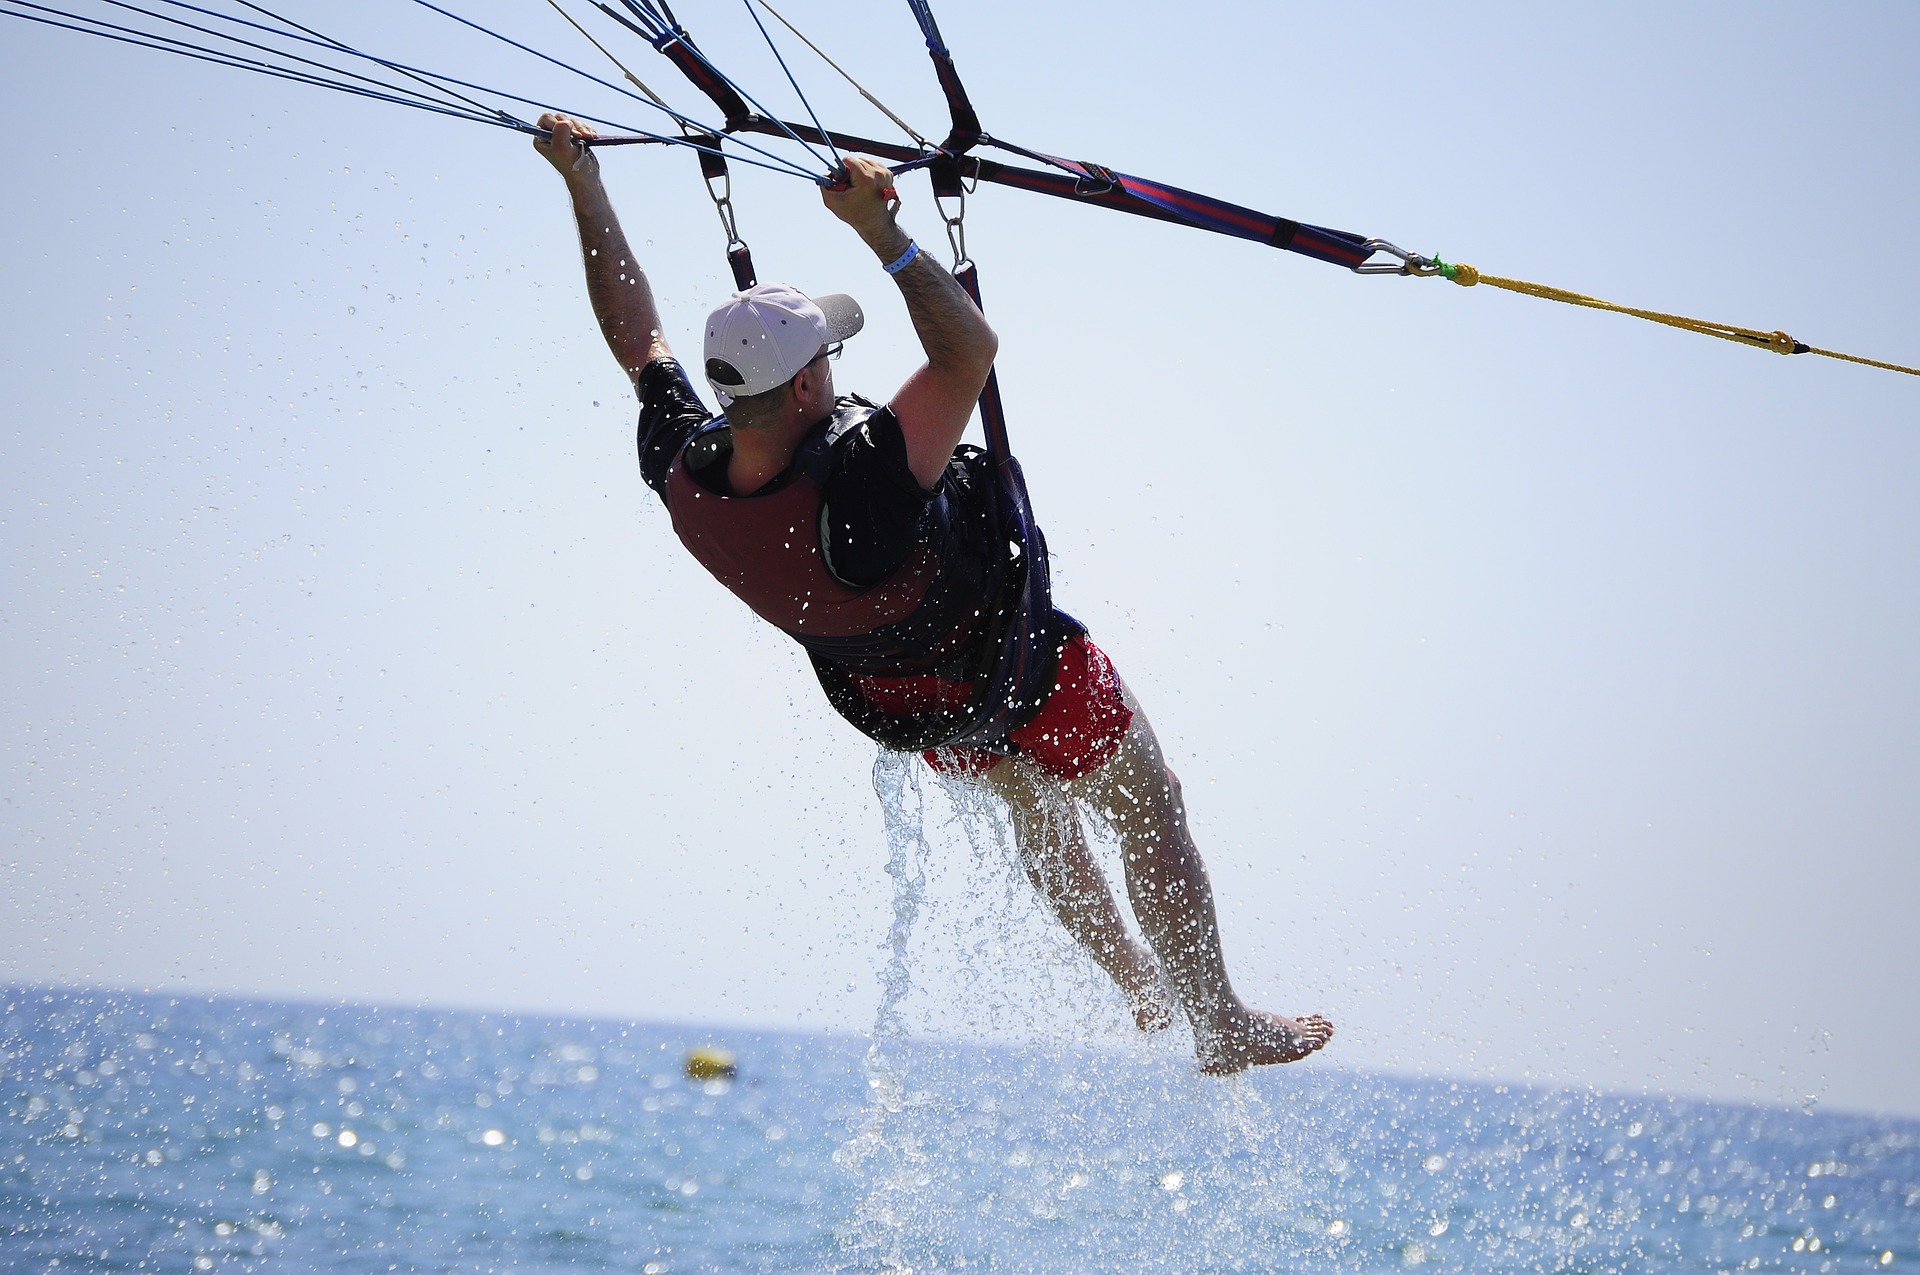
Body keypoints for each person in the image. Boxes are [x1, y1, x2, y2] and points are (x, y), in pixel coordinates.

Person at [534, 113, 1333, 1074]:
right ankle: (1218, 1020)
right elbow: (967, 351)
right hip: (1019, 665)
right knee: (1147, 804)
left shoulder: (682, 467)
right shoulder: (866, 482)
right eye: (825, 356)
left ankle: (1136, 980)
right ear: (799, 392)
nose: (836, 367)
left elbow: (636, 337)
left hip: (905, 706)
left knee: (1035, 810)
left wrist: (583, 184)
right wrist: (883, 234)